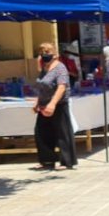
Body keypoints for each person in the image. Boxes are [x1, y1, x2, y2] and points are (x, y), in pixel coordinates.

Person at [32, 42, 77, 171]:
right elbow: (41, 87)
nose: (44, 55)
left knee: (62, 133)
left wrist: (52, 104)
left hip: (59, 104)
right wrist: (37, 102)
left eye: (47, 52)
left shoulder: (60, 68)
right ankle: (47, 160)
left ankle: (66, 161)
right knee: (41, 132)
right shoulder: (44, 69)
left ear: (54, 54)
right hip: (43, 105)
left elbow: (61, 87)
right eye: (42, 52)